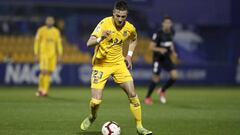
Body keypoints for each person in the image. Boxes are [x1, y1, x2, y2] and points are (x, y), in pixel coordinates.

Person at [80, 1, 152, 134]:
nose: (120, 19)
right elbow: (89, 43)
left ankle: (139, 126)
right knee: (95, 102)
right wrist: (100, 38)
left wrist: (129, 55)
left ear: (126, 15)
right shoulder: (104, 23)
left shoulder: (129, 28)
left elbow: (134, 39)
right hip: (101, 65)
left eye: (123, 16)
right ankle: (93, 116)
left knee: (132, 94)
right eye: (117, 16)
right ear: (113, 13)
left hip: (118, 63)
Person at [145, 16, 178, 104]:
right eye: (166, 22)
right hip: (158, 59)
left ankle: (162, 90)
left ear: (171, 24)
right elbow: (151, 47)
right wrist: (160, 49)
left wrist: (173, 51)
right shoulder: (158, 34)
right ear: (162, 23)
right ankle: (148, 97)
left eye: (169, 23)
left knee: (174, 76)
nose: (168, 24)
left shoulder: (172, 32)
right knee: (156, 78)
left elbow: (170, 44)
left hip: (166, 58)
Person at [34, 16, 63, 97]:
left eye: (51, 21)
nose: (49, 22)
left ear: (53, 22)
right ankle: (41, 89)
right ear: (46, 21)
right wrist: (36, 54)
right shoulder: (41, 30)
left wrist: (60, 54)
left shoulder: (56, 31)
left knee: (49, 73)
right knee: (44, 71)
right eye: (48, 21)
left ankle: (44, 91)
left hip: (53, 55)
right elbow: (36, 43)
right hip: (44, 54)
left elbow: (59, 44)